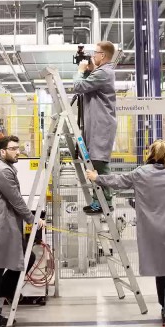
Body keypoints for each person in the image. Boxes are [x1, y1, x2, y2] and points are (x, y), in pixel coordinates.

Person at [87, 139, 165, 327]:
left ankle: (164, 307)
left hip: (150, 232)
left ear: (149, 154)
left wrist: (96, 177)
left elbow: (117, 181)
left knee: (161, 270)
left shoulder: (141, 174)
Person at [0, 135, 45, 327]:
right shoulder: (2, 172)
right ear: (2, 152)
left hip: (1, 226)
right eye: (13, 148)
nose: (18, 151)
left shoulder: (3, 168)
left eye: (18, 148)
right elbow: (15, 200)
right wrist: (33, 220)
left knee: (21, 259)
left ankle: (1, 296)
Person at [73, 40, 118, 215]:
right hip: (97, 123)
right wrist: (88, 71)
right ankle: (97, 200)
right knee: (95, 162)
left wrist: (80, 70)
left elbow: (78, 86)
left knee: (100, 161)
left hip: (102, 124)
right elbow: (86, 87)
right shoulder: (100, 72)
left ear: (103, 56)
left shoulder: (104, 73)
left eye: (95, 53)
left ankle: (106, 201)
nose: (93, 56)